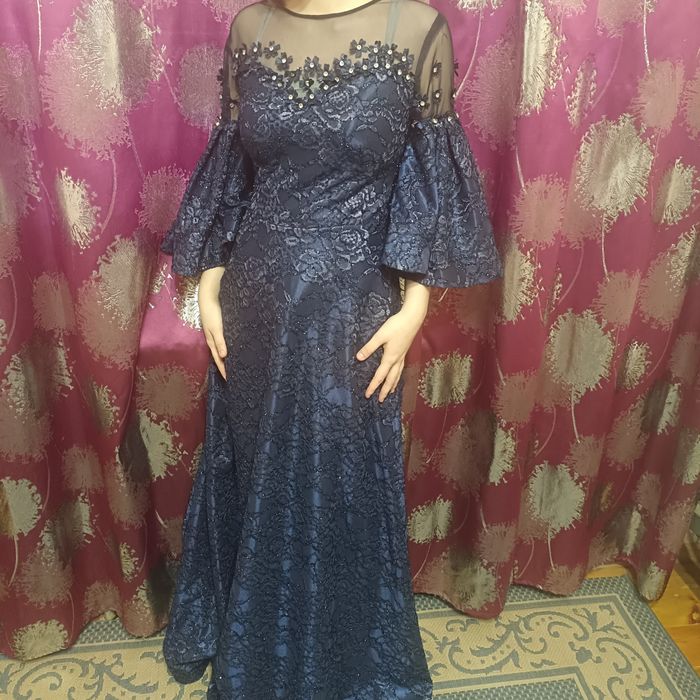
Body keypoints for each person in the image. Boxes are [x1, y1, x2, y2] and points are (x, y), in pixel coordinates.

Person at [159, 0, 503, 697]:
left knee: (341, 483)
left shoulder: (415, 30)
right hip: (254, 304)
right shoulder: (250, 28)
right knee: (254, 471)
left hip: (353, 315)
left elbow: (426, 189)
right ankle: (253, 639)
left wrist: (415, 308)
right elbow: (235, 175)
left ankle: (338, 656)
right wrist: (211, 283)